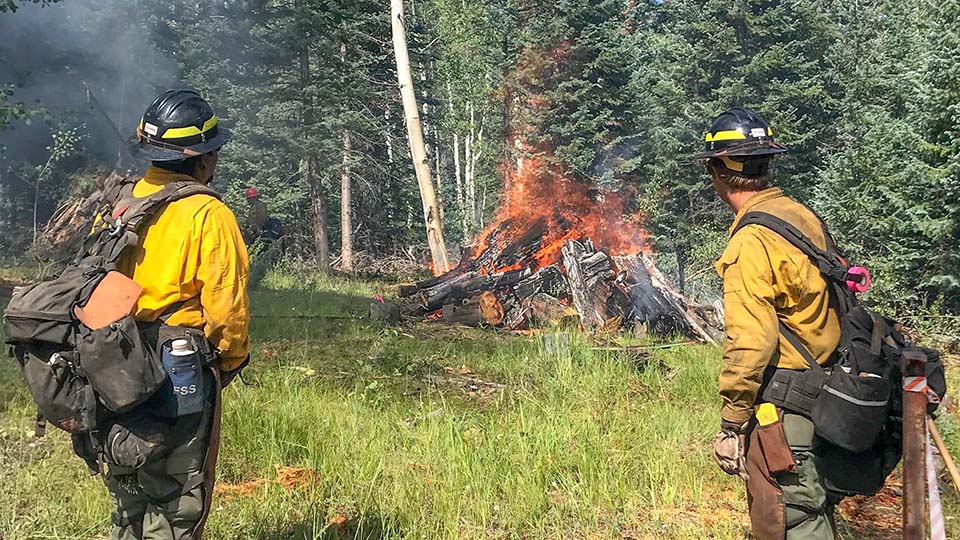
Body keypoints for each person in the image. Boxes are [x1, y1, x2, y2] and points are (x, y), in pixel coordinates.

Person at [105, 89, 251, 540]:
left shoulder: (120, 205)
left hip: (112, 362)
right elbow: (228, 312)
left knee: (129, 488)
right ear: (203, 159)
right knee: (177, 500)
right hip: (176, 370)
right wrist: (226, 363)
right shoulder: (208, 213)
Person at [698, 108, 841, 540]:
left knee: (791, 519)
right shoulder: (798, 215)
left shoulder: (750, 241)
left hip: (788, 409)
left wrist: (731, 422)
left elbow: (752, 342)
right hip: (828, 391)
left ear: (719, 170)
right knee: (814, 507)